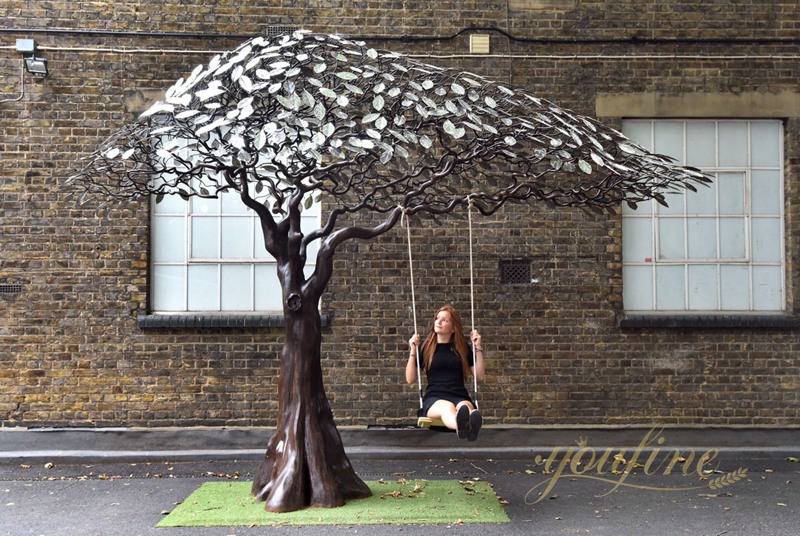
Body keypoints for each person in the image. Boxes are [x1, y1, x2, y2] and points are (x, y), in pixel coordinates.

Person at [406, 305, 485, 441]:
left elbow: (479, 375)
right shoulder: (426, 347)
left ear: (453, 328)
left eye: (445, 320)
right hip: (434, 398)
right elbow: (410, 379)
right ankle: (463, 427)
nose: (439, 322)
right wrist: (413, 350)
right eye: (437, 318)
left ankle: (469, 424)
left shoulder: (461, 348)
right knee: (448, 407)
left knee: (465, 408)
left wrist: (478, 347)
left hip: (459, 395)